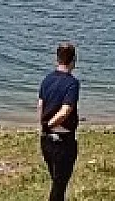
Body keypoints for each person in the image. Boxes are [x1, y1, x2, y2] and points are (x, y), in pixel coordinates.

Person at [38, 42, 81, 201]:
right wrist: (49, 125)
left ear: (57, 58)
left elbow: (40, 105)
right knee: (59, 185)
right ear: (74, 60)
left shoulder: (47, 80)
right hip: (63, 141)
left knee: (57, 182)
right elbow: (65, 111)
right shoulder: (72, 83)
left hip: (46, 141)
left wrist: (44, 126)